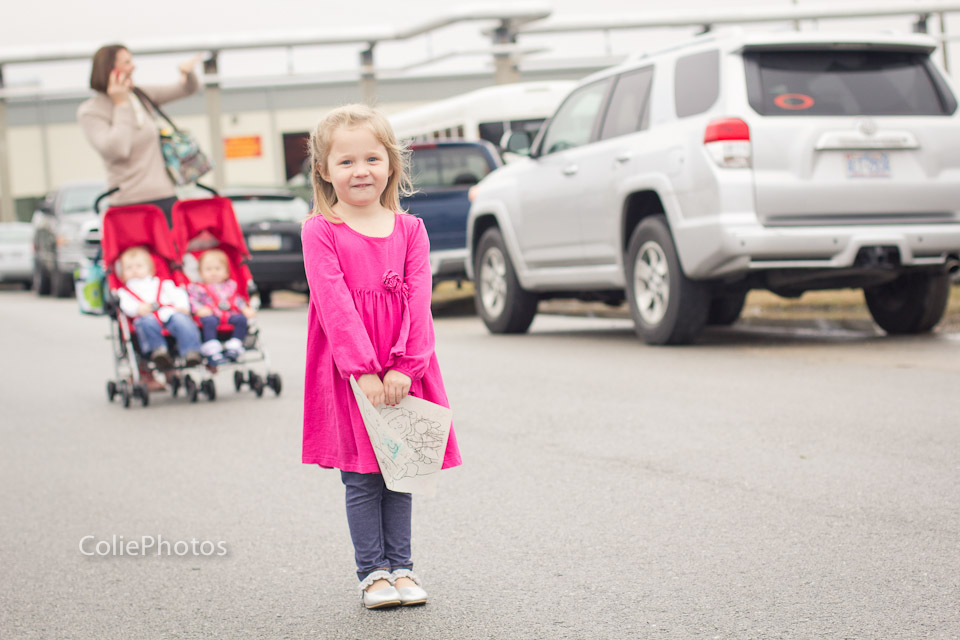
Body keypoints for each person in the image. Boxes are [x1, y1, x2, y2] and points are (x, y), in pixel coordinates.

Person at [300, 104, 462, 609]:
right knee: (364, 475)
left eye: (371, 158)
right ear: (324, 170)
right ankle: (372, 573)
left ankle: (403, 567)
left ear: (390, 164)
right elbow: (335, 306)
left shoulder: (410, 230)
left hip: (404, 369)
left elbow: (419, 303)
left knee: (401, 467)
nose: (360, 171)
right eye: (345, 162)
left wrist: (404, 368)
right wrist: (364, 372)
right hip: (354, 373)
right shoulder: (321, 230)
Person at [78, 44, 203, 227]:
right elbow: (118, 149)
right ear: (109, 70)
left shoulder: (140, 95)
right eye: (127, 62)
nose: (133, 67)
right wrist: (120, 104)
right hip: (127, 204)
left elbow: (187, 89)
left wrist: (187, 72)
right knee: (137, 257)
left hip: (165, 199)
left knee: (174, 254)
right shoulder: (91, 111)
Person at [115, 246, 203, 369]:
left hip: (168, 314)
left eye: (139, 266)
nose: (134, 270)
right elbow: (125, 305)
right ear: (122, 274)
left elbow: (178, 293)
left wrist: (182, 306)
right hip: (146, 317)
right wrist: (137, 309)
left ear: (150, 269)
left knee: (182, 320)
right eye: (129, 268)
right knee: (145, 323)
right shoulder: (123, 292)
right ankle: (158, 352)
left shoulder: (162, 283)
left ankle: (191, 352)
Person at [187, 248, 255, 366]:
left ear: (226, 272)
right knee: (209, 321)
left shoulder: (230, 286)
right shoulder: (198, 288)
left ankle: (235, 345)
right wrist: (199, 310)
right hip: (211, 316)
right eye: (208, 269)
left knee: (241, 319)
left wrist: (245, 308)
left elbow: (237, 300)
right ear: (201, 273)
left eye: (218, 269)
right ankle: (212, 349)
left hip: (229, 316)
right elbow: (193, 301)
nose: (213, 273)